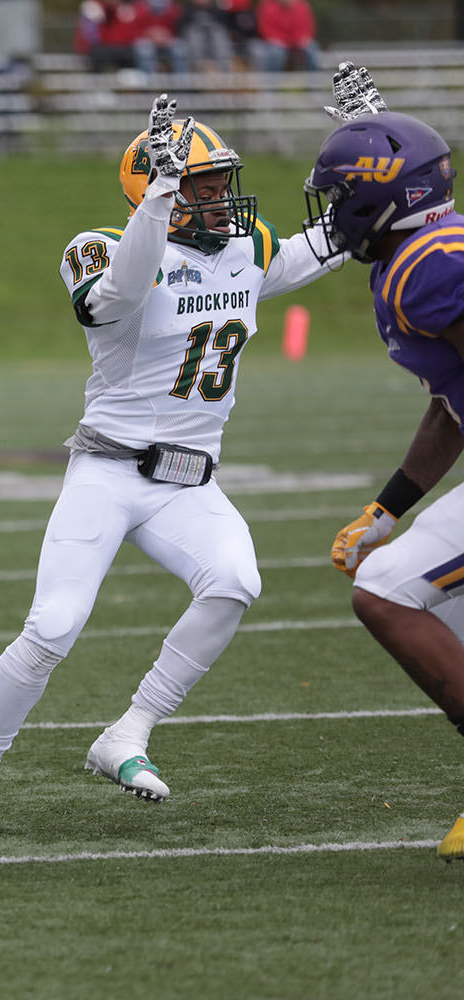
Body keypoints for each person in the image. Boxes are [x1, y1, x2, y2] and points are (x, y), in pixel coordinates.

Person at [0, 92, 344, 834]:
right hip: (109, 471)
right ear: (154, 191)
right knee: (54, 625)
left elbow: (338, 237)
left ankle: (129, 730)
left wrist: (376, 153)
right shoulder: (98, 248)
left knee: (236, 582)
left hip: (190, 480)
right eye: (203, 187)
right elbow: (114, 299)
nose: (221, 200)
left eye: (222, 184)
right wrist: (158, 201)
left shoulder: (247, 251)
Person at [305, 63, 464, 863]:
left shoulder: (427, 267)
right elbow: (451, 399)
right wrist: (390, 505)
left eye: (339, 197)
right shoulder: (433, 248)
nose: (335, 214)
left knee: (387, 592)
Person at [252, 0, 318, 72]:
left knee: (311, 48)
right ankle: (273, 81)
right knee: (275, 52)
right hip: (276, 43)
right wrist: (281, 41)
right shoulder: (266, 6)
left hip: (297, 42)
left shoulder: (302, 6)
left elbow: (307, 27)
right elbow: (265, 29)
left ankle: (314, 80)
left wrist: (300, 40)